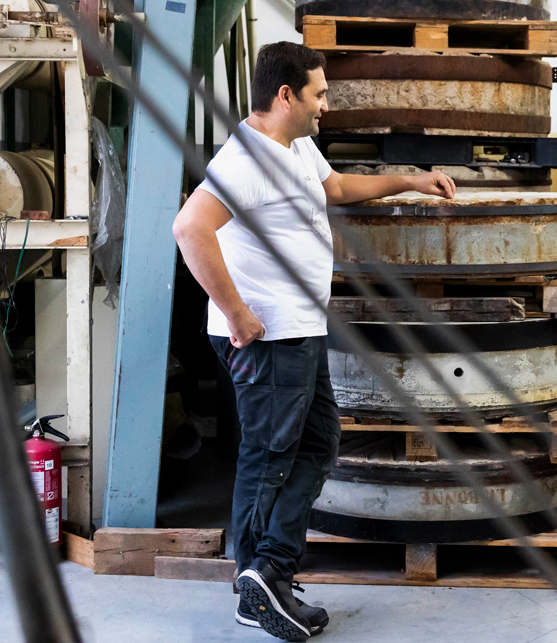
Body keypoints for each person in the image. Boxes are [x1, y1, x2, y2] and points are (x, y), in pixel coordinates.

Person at [173, 42, 455, 640]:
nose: (326, 105)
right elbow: (189, 228)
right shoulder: (246, 160)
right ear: (285, 96)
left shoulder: (295, 145)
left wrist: (412, 180)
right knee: (269, 455)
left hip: (301, 329)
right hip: (268, 336)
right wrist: (237, 313)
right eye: (318, 94)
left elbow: (337, 188)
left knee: (319, 441)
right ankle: (257, 580)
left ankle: (269, 570)